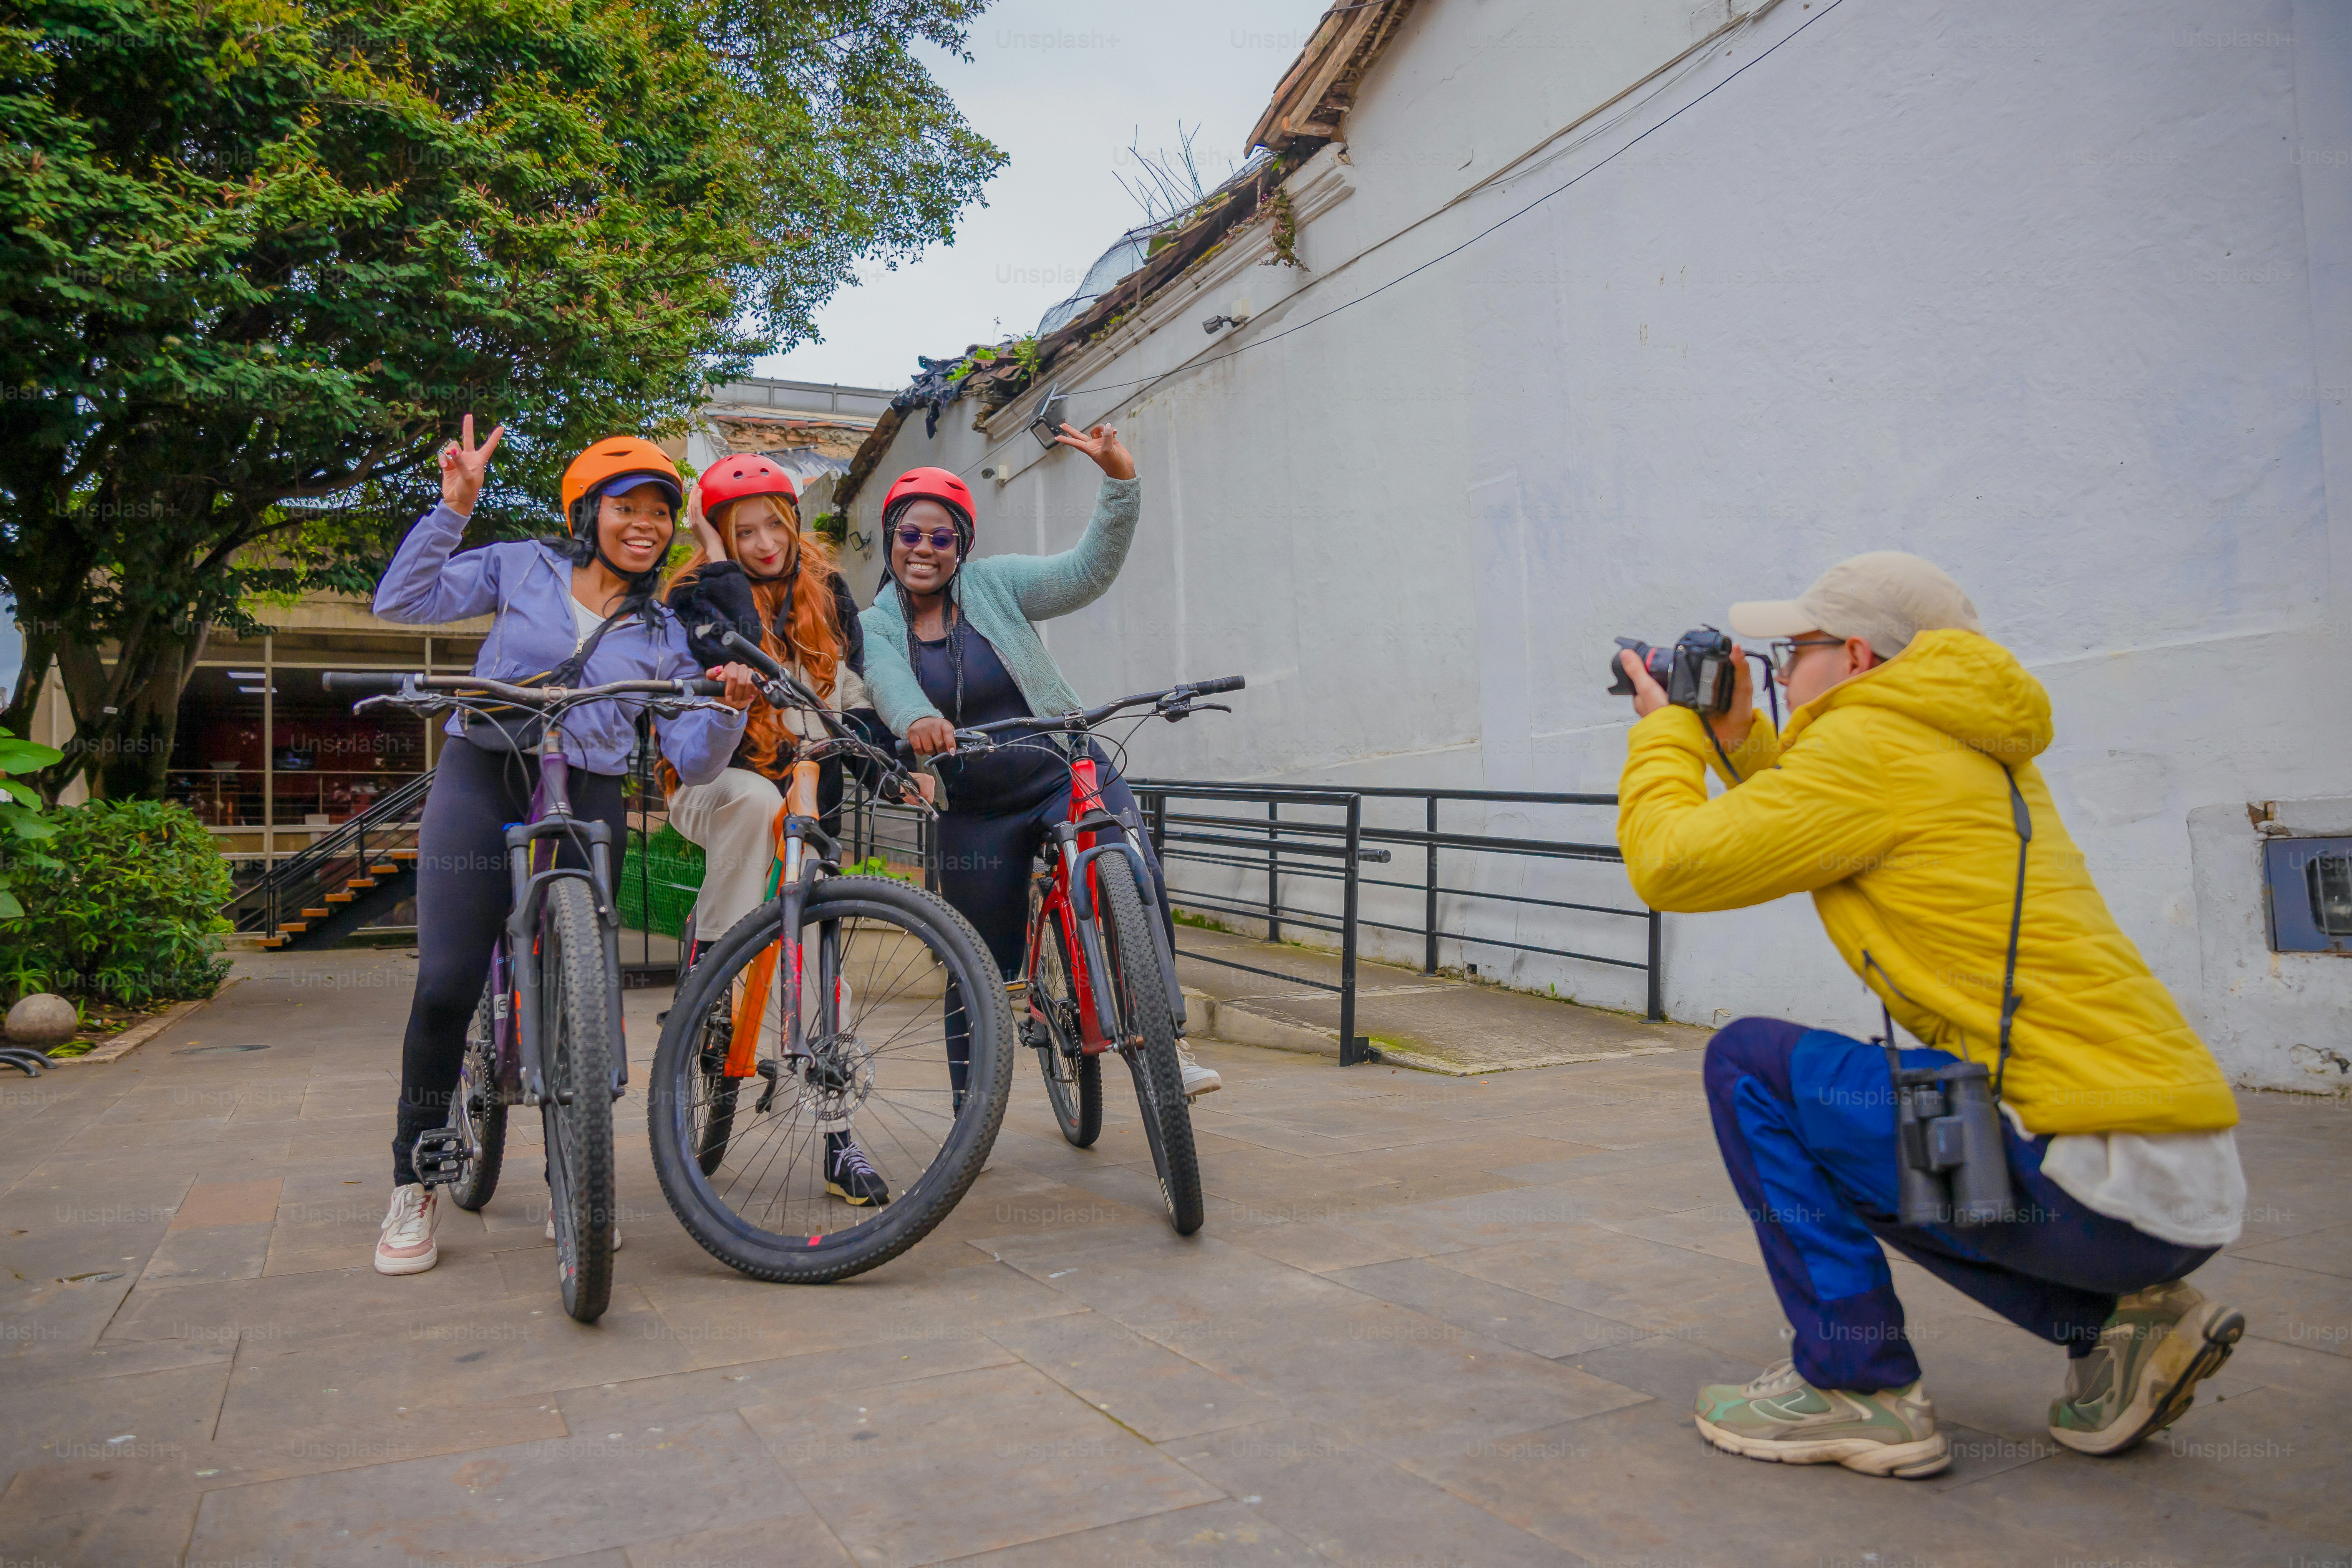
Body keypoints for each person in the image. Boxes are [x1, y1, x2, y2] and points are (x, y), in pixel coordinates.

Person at [1612, 552, 2246, 1478]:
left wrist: (1669, 729)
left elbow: (1666, 862)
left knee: (1748, 1062)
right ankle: (2121, 1326)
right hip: (2161, 1186)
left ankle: (1854, 1386)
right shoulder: (1961, 745)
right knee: (1900, 1133)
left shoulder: (1868, 749)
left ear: (1857, 656)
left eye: (1793, 652)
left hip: (2095, 1180)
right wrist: (1739, 739)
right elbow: (1817, 818)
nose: (1780, 672)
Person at [367, 418, 760, 1275]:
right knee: (443, 984)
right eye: (628, 507)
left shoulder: (664, 633)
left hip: (586, 790)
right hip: (486, 770)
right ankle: (416, 1176)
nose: (646, 524)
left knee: (581, 989)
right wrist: (452, 510)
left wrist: (728, 704)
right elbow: (400, 602)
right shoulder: (522, 565)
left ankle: (571, 1175)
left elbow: (692, 758)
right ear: (588, 512)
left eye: (662, 510)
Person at [860, 425, 1220, 1099]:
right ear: (890, 539)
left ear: (962, 546)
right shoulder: (876, 625)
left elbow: (1087, 571)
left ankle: (1165, 1039)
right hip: (975, 812)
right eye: (911, 534)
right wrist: (918, 721)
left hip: (1064, 770)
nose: (925, 550)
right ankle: (975, 1108)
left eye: (942, 538)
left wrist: (1119, 481)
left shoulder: (995, 585)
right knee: (978, 965)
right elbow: (885, 680)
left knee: (1134, 867)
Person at [660, 451, 893, 1205]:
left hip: (802, 800)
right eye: (741, 531)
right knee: (753, 804)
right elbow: (715, 658)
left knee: (825, 971)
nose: (763, 543)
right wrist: (715, 557)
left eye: (773, 525)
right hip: (713, 784)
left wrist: (895, 771)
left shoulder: (827, 592)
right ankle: (717, 967)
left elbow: (848, 704)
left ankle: (839, 1142)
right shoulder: (696, 590)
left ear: (793, 523)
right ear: (718, 535)